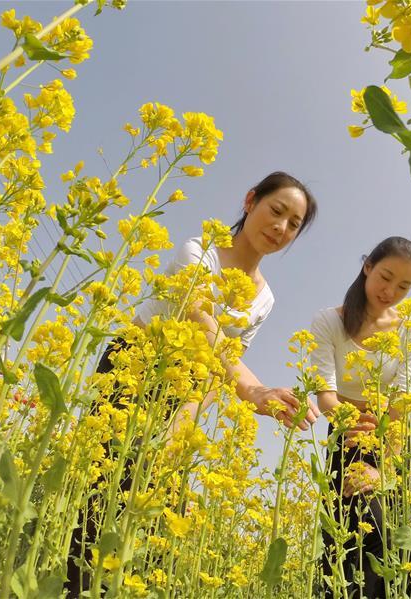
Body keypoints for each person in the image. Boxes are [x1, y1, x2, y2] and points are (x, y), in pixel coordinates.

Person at [65, 171, 321, 596]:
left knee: (161, 509)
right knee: (104, 495)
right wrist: (254, 390)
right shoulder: (200, 251)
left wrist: (181, 430)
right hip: (132, 370)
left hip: (186, 389)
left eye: (294, 224)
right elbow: (202, 327)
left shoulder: (265, 298)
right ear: (250, 200)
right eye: (276, 211)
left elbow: (222, 364)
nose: (281, 227)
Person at [309, 236, 411, 599]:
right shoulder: (330, 321)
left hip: (394, 436)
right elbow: (325, 394)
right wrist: (353, 431)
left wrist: (383, 465)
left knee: (400, 540)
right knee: (351, 538)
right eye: (385, 277)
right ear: (367, 266)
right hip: (348, 434)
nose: (391, 291)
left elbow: (404, 397)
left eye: (404, 286)